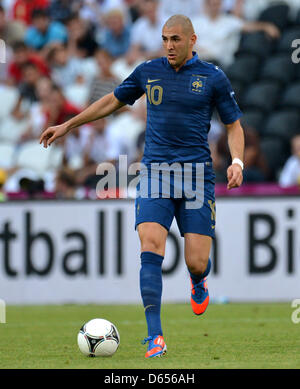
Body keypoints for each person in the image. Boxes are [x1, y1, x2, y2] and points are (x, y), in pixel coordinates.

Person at [39, 14, 244, 359]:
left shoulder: (213, 77)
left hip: (196, 177)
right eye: (165, 39)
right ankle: (155, 338)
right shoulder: (149, 71)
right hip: (155, 173)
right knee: (150, 246)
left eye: (175, 40)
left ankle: (198, 280)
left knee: (196, 261)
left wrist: (237, 162)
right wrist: (70, 124)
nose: (169, 46)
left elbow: (234, 125)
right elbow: (112, 100)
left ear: (192, 40)